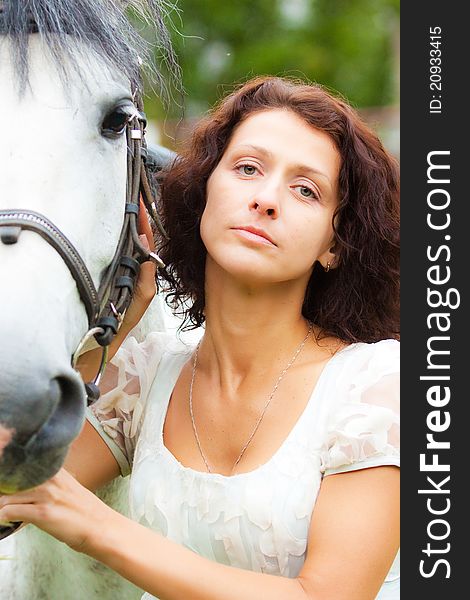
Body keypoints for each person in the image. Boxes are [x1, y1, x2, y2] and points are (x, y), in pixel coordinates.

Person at [0, 76, 400, 600]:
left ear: (334, 244)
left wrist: (95, 527)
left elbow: (328, 596)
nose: (266, 199)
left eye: (306, 190)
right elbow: (9, 482)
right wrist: (116, 329)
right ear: (204, 193)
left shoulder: (373, 386)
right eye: (248, 168)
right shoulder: (147, 377)